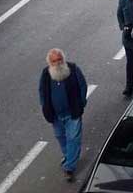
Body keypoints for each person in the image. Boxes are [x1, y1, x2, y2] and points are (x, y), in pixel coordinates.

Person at [38, 48, 87, 182]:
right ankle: (68, 156)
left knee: (73, 138)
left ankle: (69, 167)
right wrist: (45, 106)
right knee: (60, 136)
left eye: (60, 59)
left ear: (63, 59)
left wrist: (81, 103)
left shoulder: (73, 69)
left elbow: (82, 86)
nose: (58, 63)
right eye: (54, 61)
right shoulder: (46, 73)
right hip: (55, 115)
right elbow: (42, 92)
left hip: (72, 113)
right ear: (50, 62)